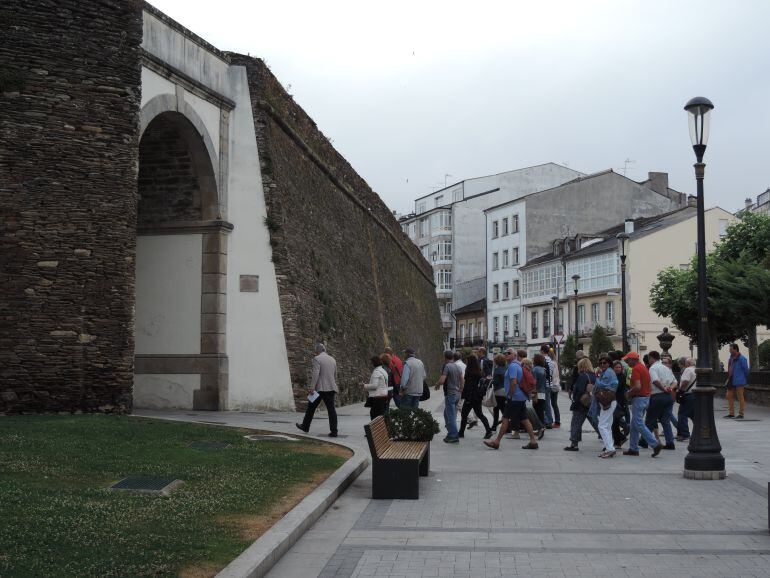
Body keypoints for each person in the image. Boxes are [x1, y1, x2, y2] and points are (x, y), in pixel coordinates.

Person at [484, 349, 539, 450]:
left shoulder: (513, 366)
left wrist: (510, 395)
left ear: (515, 355)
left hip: (515, 397)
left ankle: (496, 442)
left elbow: (513, 382)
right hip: (520, 397)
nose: (506, 354)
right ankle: (533, 441)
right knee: (524, 419)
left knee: (505, 418)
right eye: (505, 353)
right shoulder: (518, 365)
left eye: (509, 353)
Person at [622, 352, 662, 457]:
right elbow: (648, 384)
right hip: (645, 398)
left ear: (633, 359)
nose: (626, 362)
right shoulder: (643, 368)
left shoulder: (635, 369)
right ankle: (633, 449)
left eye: (627, 360)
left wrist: (628, 394)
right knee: (634, 425)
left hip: (639, 399)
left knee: (638, 423)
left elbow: (638, 386)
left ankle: (655, 444)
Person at [296, 343, 339, 436]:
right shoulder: (333, 359)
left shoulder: (317, 359)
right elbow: (335, 374)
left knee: (311, 408)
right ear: (324, 349)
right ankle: (334, 431)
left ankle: (305, 426)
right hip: (330, 388)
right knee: (331, 410)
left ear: (317, 351)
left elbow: (316, 374)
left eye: (315, 351)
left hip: (319, 389)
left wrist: (312, 388)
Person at [645, 350, 676, 450]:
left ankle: (644, 441)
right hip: (668, 396)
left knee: (650, 419)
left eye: (649, 359)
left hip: (657, 395)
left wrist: (663, 389)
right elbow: (675, 381)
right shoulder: (666, 368)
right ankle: (670, 442)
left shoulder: (653, 368)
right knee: (665, 420)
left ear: (651, 358)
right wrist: (670, 388)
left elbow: (655, 381)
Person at [458, 354, 493, 439]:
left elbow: (469, 386)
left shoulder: (469, 371)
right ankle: (488, 431)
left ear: (470, 362)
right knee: (479, 414)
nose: (466, 362)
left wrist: (466, 397)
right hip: (477, 397)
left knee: (464, 414)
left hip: (471, 397)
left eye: (467, 360)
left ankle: (461, 432)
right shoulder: (478, 371)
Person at [565, 357, 596, 451]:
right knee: (596, 423)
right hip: (591, 402)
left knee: (576, 423)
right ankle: (608, 441)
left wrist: (575, 399)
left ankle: (574, 444)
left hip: (581, 403)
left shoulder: (582, 376)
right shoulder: (593, 376)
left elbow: (579, 390)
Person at [435, 350, 464, 443]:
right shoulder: (457, 366)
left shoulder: (447, 366)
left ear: (445, 357)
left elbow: (443, 380)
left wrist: (437, 384)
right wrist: (460, 390)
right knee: (446, 414)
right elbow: (462, 380)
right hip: (456, 393)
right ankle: (451, 432)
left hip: (450, 394)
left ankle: (453, 435)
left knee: (450, 416)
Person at [594, 355, 619, 458]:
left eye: (605, 363)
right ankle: (609, 446)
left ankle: (610, 449)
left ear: (609, 363)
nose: (602, 365)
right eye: (601, 363)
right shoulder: (608, 372)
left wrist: (596, 377)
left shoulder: (608, 372)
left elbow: (601, 385)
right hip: (610, 400)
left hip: (608, 400)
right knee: (607, 425)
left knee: (602, 425)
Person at [725, 343, 749, 419]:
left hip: (739, 380)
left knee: (740, 397)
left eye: (731, 349)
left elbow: (746, 370)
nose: (729, 350)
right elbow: (729, 369)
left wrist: (743, 378)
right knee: (729, 396)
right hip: (731, 379)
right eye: (729, 349)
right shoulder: (730, 359)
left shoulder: (742, 358)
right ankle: (731, 413)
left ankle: (741, 414)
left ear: (735, 349)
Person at [675, 357, 697, 441]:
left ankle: (685, 434)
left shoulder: (688, 370)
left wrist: (680, 390)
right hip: (696, 395)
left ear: (687, 364)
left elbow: (685, 381)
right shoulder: (697, 370)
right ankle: (698, 432)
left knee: (682, 414)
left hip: (688, 395)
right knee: (693, 415)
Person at [540, 344, 561, 429]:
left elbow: (550, 375)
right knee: (553, 403)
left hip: (550, 384)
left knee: (549, 404)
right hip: (554, 384)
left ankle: (551, 421)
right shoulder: (554, 363)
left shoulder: (547, 361)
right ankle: (556, 421)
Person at [611, 359, 630, 448]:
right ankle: (618, 442)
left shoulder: (621, 377)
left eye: (619, 367)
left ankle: (620, 439)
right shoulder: (613, 376)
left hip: (619, 402)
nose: (618, 369)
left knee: (614, 422)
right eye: (616, 367)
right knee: (614, 423)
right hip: (614, 401)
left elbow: (617, 389)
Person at [364, 355, 389, 419]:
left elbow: (375, 386)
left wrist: (365, 386)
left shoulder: (376, 372)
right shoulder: (383, 371)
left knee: (375, 416)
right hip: (384, 395)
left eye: (371, 363)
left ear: (374, 363)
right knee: (381, 416)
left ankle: (377, 429)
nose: (370, 365)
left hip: (378, 397)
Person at [490, 353, 508, 431]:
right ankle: (506, 426)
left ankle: (495, 426)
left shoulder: (497, 370)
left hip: (498, 391)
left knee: (497, 408)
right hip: (506, 390)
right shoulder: (506, 368)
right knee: (503, 409)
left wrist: (491, 381)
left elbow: (496, 382)